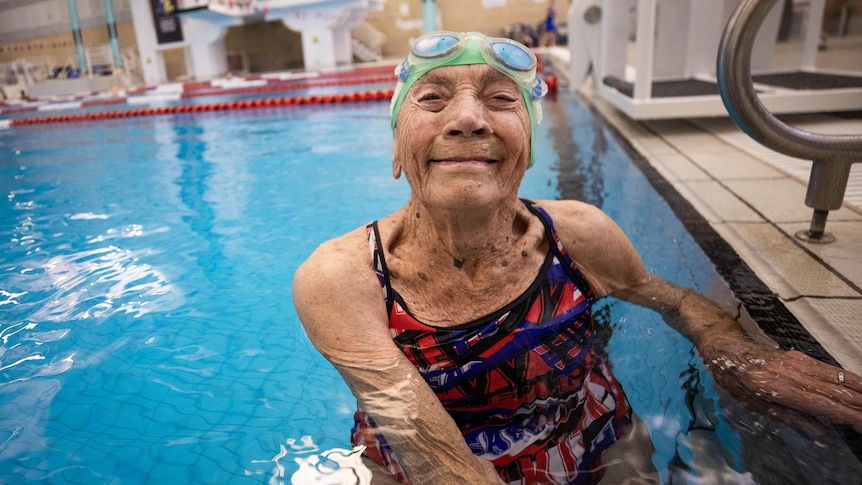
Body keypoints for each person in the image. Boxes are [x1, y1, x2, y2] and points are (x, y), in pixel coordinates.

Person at [293, 31, 862, 484]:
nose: (469, 119)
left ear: (527, 149)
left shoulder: (579, 235)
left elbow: (676, 300)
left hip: (586, 433)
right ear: (397, 149)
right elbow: (442, 465)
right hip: (414, 463)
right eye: (433, 99)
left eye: (500, 99)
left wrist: (731, 351)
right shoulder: (344, 277)